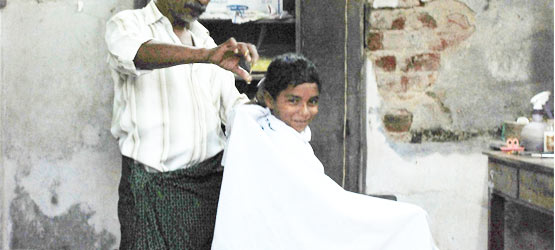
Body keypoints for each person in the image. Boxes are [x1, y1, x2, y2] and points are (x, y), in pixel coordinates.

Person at [212, 53, 439, 250]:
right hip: (295, 234)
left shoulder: (275, 130)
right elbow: (322, 207)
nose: (304, 111)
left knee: (409, 219)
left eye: (312, 102)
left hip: (311, 221)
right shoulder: (265, 138)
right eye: (293, 101)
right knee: (412, 220)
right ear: (270, 100)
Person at [104, 0, 258, 249]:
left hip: (206, 188)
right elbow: (136, 55)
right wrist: (206, 57)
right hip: (152, 189)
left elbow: (232, 109)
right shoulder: (127, 24)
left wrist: (269, 102)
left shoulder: (205, 40)